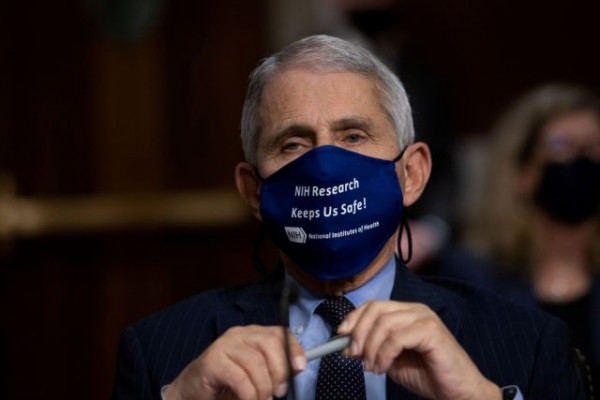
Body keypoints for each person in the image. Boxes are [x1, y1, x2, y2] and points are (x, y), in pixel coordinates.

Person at [112, 36, 585, 399]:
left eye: (353, 137)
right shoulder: (161, 354)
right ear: (254, 190)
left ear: (412, 174)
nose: (324, 167)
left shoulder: (529, 345)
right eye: (293, 144)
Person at [464, 83, 600, 394]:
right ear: (523, 170)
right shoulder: (473, 279)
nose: (582, 160)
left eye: (594, 147)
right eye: (562, 145)